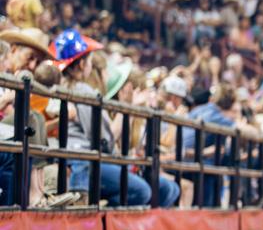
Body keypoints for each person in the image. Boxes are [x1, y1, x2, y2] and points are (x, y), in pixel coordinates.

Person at [54, 30, 179, 208]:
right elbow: (102, 138)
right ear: (82, 64)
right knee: (142, 191)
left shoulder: (60, 87)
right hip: (84, 159)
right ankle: (103, 215)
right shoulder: (84, 92)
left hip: (72, 157)